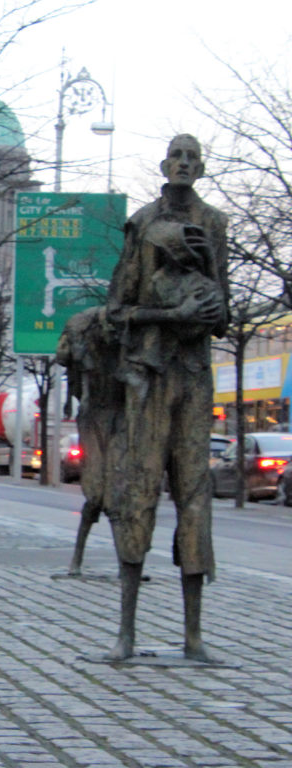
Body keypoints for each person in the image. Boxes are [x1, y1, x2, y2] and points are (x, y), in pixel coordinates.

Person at [104, 133, 227, 661]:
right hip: (151, 376)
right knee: (139, 491)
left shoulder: (215, 224)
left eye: (192, 158)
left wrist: (208, 272)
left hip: (195, 374)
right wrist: (169, 317)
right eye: (176, 156)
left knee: (196, 498)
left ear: (200, 169)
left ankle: (194, 636)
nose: (183, 163)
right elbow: (117, 311)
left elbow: (223, 316)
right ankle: (126, 633)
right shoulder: (143, 223)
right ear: (164, 164)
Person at [55, 306, 121, 577]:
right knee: (95, 496)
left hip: (117, 420)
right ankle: (78, 560)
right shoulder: (86, 351)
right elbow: (67, 363)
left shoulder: (121, 352)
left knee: (118, 496)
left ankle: (126, 562)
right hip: (94, 420)